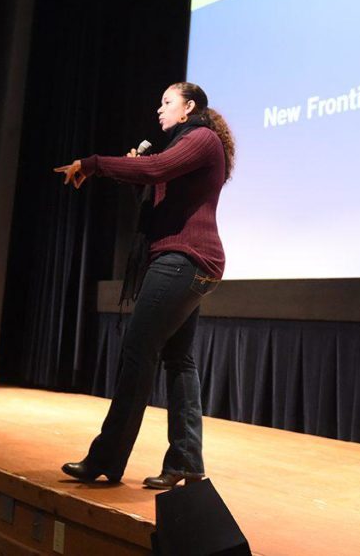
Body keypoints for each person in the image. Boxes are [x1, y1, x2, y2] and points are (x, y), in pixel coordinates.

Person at [53, 82, 235, 489]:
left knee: (138, 352)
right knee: (178, 359)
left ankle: (106, 459)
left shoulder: (202, 139)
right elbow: (160, 180)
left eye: (167, 102)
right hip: (193, 262)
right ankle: (186, 461)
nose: (159, 109)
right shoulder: (184, 147)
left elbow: (156, 171)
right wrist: (143, 171)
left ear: (188, 108)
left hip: (183, 261)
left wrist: (95, 162)